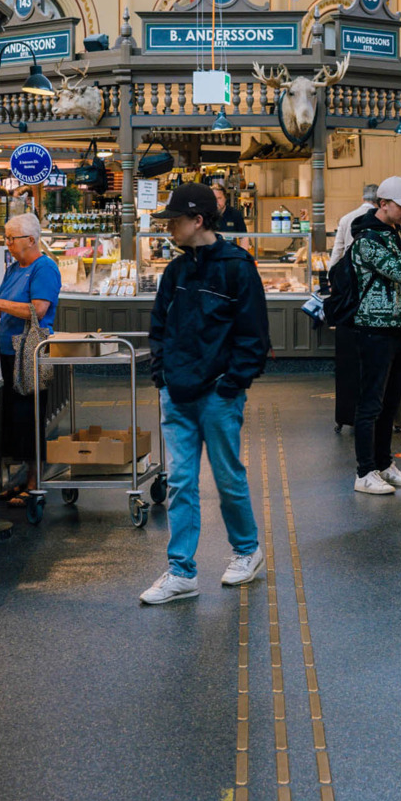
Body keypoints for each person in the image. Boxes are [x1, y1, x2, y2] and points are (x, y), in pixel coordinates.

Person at [139, 182, 268, 605]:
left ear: (198, 221)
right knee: (180, 482)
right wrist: (162, 376)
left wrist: (232, 384)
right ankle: (181, 572)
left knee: (229, 477)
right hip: (176, 393)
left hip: (217, 394)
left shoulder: (238, 267)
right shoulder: (175, 272)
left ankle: (247, 552)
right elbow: (158, 327)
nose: (169, 229)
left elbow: (254, 337)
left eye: (175, 221)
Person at [339, 175, 401, 496]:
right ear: (382, 204)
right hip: (374, 328)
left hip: (400, 326)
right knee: (370, 403)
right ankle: (364, 472)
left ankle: (384, 464)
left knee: (390, 403)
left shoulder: (397, 234)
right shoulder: (366, 240)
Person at [0, 213, 60, 503]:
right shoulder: (13, 268)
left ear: (31, 240)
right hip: (9, 352)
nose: (7, 243)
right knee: (14, 419)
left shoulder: (44, 268)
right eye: (5, 238)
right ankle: (21, 480)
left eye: (12, 238)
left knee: (29, 415)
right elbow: (2, 305)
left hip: (30, 353)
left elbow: (38, 310)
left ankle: (35, 483)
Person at [329, 184, 379, 266]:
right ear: (379, 201)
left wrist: (330, 274)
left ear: (362, 199)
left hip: (350, 268)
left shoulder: (345, 219)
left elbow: (337, 249)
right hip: (373, 269)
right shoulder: (379, 219)